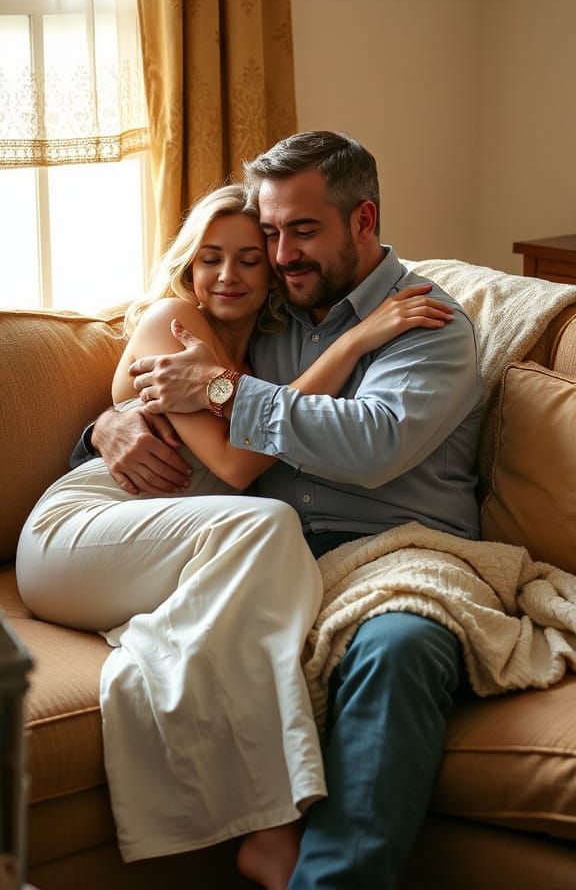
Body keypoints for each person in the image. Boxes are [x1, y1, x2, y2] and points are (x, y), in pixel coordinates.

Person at [16, 178, 454, 890]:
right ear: (188, 266)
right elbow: (235, 461)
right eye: (211, 258)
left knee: (260, 567)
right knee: (270, 527)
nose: (228, 275)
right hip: (78, 531)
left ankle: (271, 825)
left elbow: (280, 425)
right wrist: (354, 345)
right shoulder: (174, 324)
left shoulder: (271, 349)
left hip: (163, 543)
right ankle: (271, 830)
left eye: (251, 259)